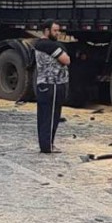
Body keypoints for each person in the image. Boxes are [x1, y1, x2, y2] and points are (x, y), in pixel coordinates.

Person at [33, 19, 70, 153]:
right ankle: (48, 146)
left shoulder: (42, 45)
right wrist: (62, 50)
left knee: (44, 116)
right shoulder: (49, 45)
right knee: (51, 116)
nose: (58, 33)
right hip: (52, 84)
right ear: (46, 31)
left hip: (45, 84)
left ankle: (46, 144)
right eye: (55, 30)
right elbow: (66, 59)